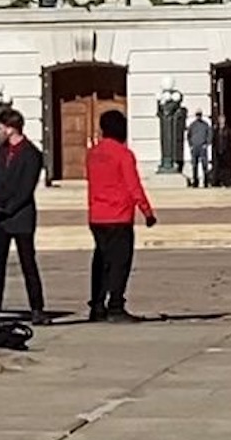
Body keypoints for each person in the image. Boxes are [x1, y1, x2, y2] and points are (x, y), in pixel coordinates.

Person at [86, 110, 157, 323]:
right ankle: (115, 305)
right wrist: (147, 211)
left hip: (97, 215)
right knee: (119, 263)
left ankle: (97, 305)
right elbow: (133, 185)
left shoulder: (93, 154)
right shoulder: (123, 154)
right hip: (118, 215)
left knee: (101, 261)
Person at [0, 108, 47, 326]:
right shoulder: (1, 151)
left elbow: (25, 189)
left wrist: (6, 208)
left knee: (28, 264)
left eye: (1, 127)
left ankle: (37, 308)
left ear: (11, 128)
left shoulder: (31, 154)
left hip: (19, 216)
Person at [187, 110, 212, 188]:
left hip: (202, 147)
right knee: (194, 165)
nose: (198, 116)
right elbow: (188, 135)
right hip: (195, 147)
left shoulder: (205, 125)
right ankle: (195, 181)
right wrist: (190, 145)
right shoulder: (192, 125)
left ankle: (206, 182)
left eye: (199, 115)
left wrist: (207, 144)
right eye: (197, 115)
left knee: (205, 165)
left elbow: (209, 134)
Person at [213, 114, 231, 187]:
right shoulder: (216, 130)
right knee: (218, 167)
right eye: (220, 119)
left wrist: (229, 148)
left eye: (223, 119)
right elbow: (214, 140)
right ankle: (218, 181)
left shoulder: (228, 130)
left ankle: (227, 181)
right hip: (218, 151)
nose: (221, 121)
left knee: (226, 168)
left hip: (226, 151)